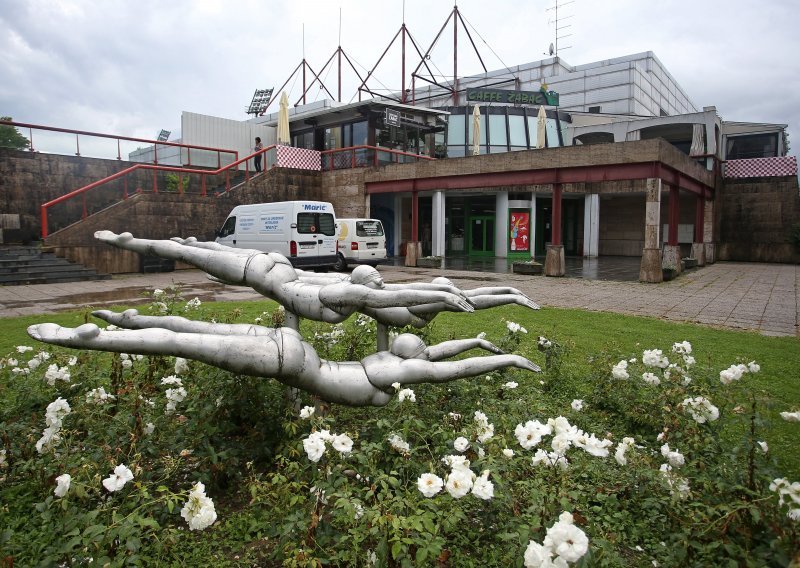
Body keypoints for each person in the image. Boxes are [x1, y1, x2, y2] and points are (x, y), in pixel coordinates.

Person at [28, 315, 539, 407]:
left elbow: (445, 357)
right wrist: (507, 357)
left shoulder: (395, 359)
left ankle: (125, 321)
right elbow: (450, 368)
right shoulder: (400, 372)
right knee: (188, 344)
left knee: (198, 333)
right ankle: (88, 340)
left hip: (297, 351)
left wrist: (478, 340)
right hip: (297, 366)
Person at [94, 231, 474, 326]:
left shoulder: (344, 296)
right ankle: (132, 243)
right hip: (266, 268)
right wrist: (440, 293)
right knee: (189, 252)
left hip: (262, 267)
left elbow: (389, 296)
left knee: (194, 251)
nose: (379, 285)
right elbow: (389, 297)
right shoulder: (342, 296)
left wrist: (440, 293)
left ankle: (136, 243)